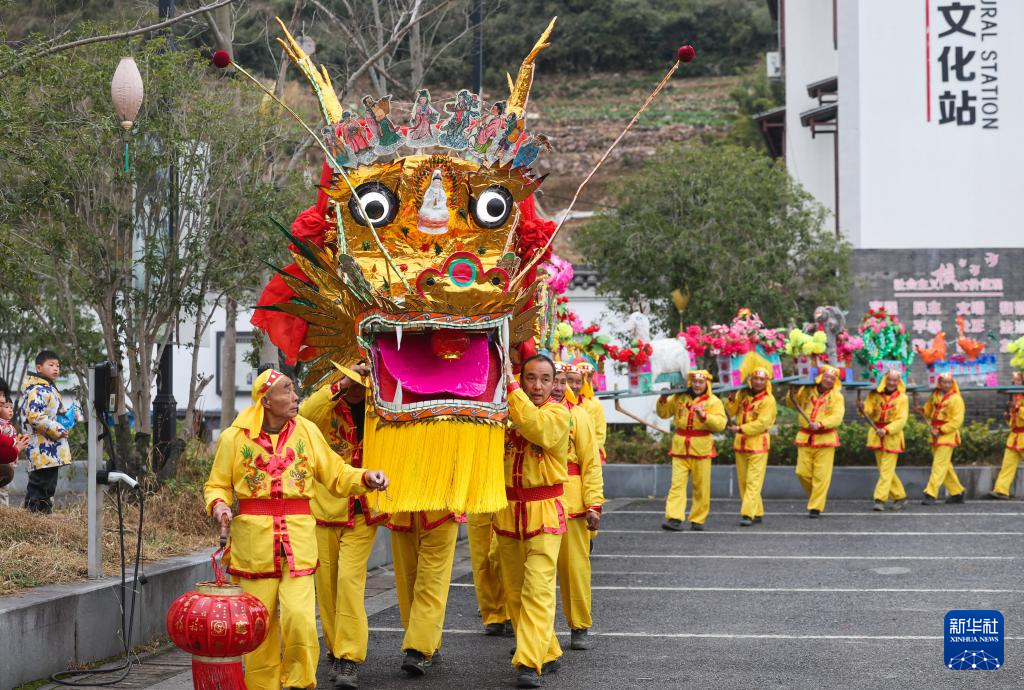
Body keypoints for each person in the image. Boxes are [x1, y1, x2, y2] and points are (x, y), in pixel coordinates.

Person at [203, 369, 389, 690]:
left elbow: (335, 473)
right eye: (287, 390)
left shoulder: (307, 431)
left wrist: (364, 477)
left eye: (293, 390)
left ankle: (299, 683)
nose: (294, 397)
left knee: (300, 619)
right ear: (266, 400)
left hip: (298, 544)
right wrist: (219, 505)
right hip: (253, 547)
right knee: (259, 626)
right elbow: (217, 484)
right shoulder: (235, 437)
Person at [299, 366, 388, 690]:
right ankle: (336, 646)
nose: (361, 378)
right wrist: (342, 384)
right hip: (326, 509)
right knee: (327, 586)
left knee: (350, 582)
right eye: (354, 371)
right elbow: (304, 415)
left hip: (364, 510)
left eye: (364, 371)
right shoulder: (326, 405)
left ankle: (348, 657)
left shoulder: (381, 405)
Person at [493, 354, 570, 689]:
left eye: (545, 379)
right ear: (523, 379)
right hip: (508, 511)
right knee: (514, 591)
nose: (537, 386)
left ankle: (528, 662)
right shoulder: (506, 412)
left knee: (538, 589)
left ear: (554, 384)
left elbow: (536, 428)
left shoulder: (558, 413)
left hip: (544, 510)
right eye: (530, 378)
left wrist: (509, 384)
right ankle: (547, 650)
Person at [551, 363, 603, 651]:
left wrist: (594, 503)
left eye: (563, 382)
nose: (559, 387)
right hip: (534, 502)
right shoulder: (528, 415)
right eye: (553, 381)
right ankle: (534, 633)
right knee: (535, 573)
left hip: (572, 502)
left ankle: (579, 625)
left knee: (575, 569)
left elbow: (591, 463)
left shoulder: (580, 416)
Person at [385, 503, 463, 677]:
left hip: (441, 511)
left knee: (431, 582)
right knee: (407, 583)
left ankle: (417, 650)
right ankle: (427, 640)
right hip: (403, 511)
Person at [656, 370, 726, 531]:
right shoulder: (679, 397)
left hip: (701, 449)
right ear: (690, 382)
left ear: (707, 383)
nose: (697, 385)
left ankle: (698, 519)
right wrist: (663, 399)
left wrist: (704, 415)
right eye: (695, 381)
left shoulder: (714, 401)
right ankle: (674, 518)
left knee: (701, 487)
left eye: (701, 382)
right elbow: (664, 413)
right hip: (680, 448)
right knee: (677, 485)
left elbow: (720, 425)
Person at [788, 365, 845, 518]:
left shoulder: (837, 397)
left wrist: (820, 424)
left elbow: (837, 417)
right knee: (801, 472)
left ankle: (815, 507)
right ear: (820, 377)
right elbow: (791, 402)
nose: (829, 380)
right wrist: (793, 391)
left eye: (832, 378)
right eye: (826, 376)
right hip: (805, 438)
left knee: (821, 476)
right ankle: (817, 497)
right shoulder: (806, 390)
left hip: (825, 439)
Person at [725, 367, 777, 526]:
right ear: (751, 380)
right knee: (743, 480)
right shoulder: (742, 394)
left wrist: (740, 428)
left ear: (766, 382)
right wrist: (732, 397)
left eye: (762, 379)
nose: (758, 382)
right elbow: (730, 411)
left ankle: (748, 514)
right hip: (741, 444)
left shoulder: (769, 400)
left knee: (753, 481)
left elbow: (762, 423)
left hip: (758, 444)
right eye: (756, 378)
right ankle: (757, 512)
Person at [21, 350, 72, 513]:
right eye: (51, 365)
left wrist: (66, 419)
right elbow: (34, 416)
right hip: (40, 447)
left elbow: (52, 415)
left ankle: (37, 513)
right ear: (38, 368)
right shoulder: (38, 390)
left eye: (57, 365)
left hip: (49, 448)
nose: (56, 368)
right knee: (41, 484)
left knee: (46, 484)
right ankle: (36, 514)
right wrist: (57, 429)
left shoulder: (49, 388)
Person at [858, 369, 909, 511]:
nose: (892, 383)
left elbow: (901, 419)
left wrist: (886, 430)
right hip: (876, 434)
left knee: (886, 470)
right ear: (884, 380)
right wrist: (863, 407)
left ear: (899, 382)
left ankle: (880, 499)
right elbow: (868, 410)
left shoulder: (903, 398)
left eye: (895, 380)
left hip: (892, 437)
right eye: (889, 379)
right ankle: (900, 496)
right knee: (885, 470)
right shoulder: (873, 394)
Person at [917, 372, 966, 505]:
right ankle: (957, 493)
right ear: (939, 383)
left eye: (949, 382)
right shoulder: (935, 395)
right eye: (944, 382)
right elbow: (928, 411)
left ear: (952, 383)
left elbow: (957, 420)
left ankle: (931, 494)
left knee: (938, 465)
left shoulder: (956, 399)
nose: (946, 385)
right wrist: (922, 410)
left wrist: (941, 430)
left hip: (947, 436)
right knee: (945, 466)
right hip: (934, 434)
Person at [989, 371, 1024, 500]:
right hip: (1014, 437)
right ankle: (1001, 490)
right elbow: (1013, 422)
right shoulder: (1013, 397)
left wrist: (1017, 408)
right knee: (1007, 465)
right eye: (1015, 380)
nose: (1016, 383)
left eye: (1018, 380)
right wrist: (1008, 417)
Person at [0, 386, 30, 507]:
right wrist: (14, 445)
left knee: (5, 488)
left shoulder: (10, 427)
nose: (10, 410)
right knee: (3, 489)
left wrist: (16, 453)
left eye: (11, 407)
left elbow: (14, 445)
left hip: (8, 463)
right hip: (2, 463)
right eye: (6, 407)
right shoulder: (1, 425)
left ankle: (4, 509)